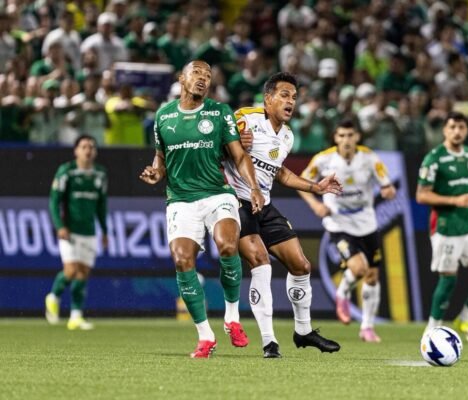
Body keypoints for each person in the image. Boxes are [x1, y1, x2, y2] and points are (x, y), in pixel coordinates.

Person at [139, 60, 265, 359]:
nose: (203, 79)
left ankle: (232, 317)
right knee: (182, 260)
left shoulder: (220, 112)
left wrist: (254, 187)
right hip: (181, 199)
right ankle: (205, 335)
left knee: (227, 245)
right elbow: (161, 158)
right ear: (181, 78)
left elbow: (239, 155)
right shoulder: (163, 115)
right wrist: (156, 172)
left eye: (208, 75)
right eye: (197, 73)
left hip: (217, 193)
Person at [225, 72, 342, 358]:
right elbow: (215, 149)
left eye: (294, 97)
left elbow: (280, 173)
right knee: (260, 261)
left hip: (263, 204)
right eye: (284, 95)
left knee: (301, 265)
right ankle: (269, 342)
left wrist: (316, 187)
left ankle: (303, 331)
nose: (291, 102)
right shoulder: (245, 118)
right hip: (235, 202)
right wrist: (233, 144)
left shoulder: (287, 136)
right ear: (268, 99)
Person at [299, 120, 396, 343]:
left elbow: (386, 185)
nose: (346, 140)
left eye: (350, 135)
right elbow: (302, 183)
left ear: (357, 137)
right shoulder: (323, 159)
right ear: (335, 138)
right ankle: (342, 292)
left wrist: (388, 191)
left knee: (372, 276)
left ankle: (367, 327)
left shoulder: (370, 158)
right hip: (338, 222)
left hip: (367, 222)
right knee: (358, 269)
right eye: (342, 135)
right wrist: (315, 205)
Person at [416, 111, 468, 344]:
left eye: (461, 127)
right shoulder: (434, 158)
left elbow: (463, 186)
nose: (457, 132)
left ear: (467, 130)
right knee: (448, 280)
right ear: (445, 130)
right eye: (452, 127)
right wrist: (455, 200)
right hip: (446, 226)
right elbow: (421, 195)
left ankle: (465, 318)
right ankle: (431, 330)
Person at [45, 135, 108, 330]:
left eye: (91, 147)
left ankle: (75, 316)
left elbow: (101, 205)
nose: (88, 150)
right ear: (76, 151)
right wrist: (59, 226)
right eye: (84, 146)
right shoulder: (67, 171)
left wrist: (105, 231)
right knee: (71, 270)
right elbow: (54, 201)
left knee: (83, 273)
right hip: (70, 230)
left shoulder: (100, 174)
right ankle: (53, 296)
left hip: (89, 231)